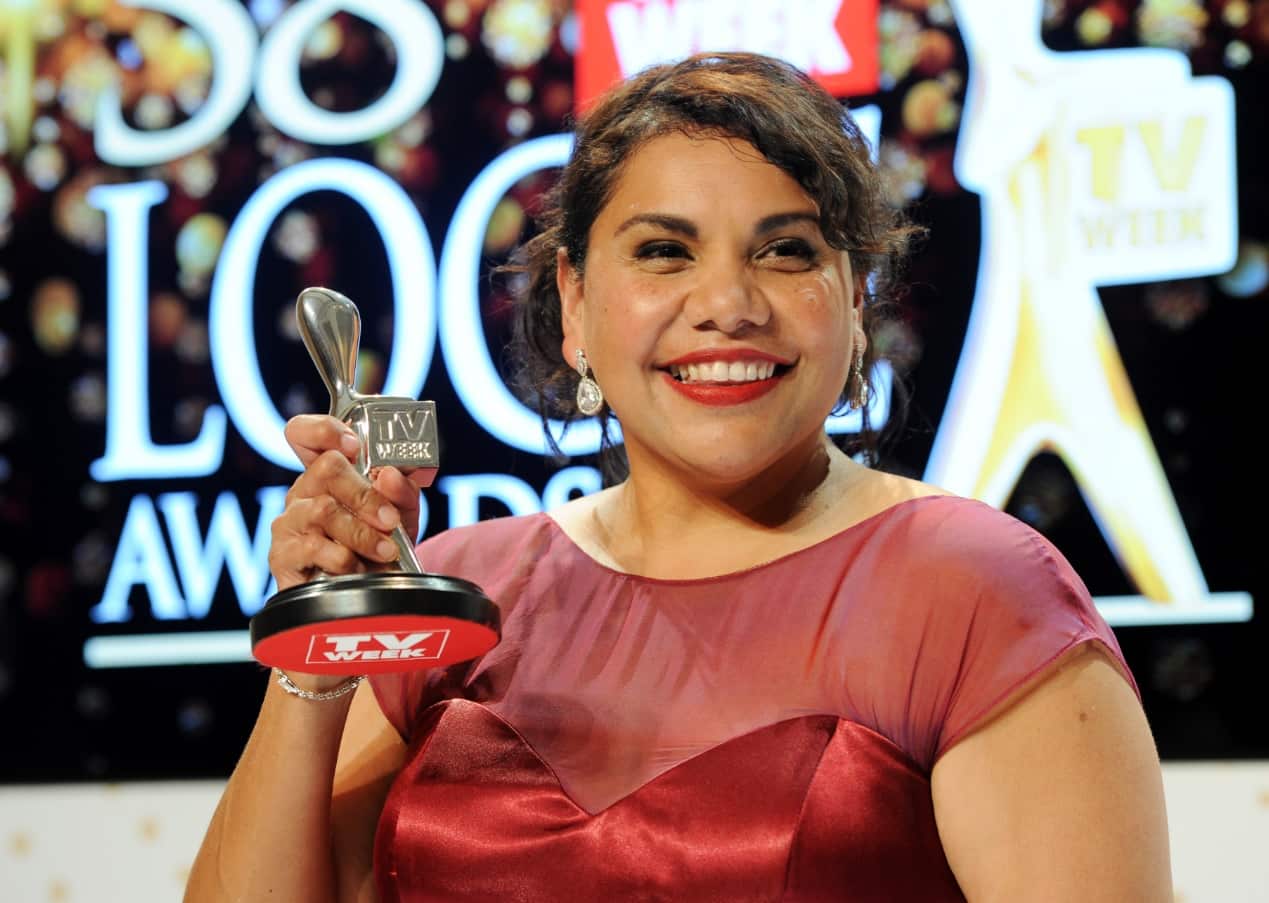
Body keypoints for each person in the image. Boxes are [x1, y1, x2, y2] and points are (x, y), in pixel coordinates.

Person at [186, 53, 1171, 902]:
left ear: (855, 305)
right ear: (574, 304)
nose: (728, 305)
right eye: (664, 252)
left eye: (786, 252)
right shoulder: (455, 594)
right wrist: (318, 654)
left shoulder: (980, 594)